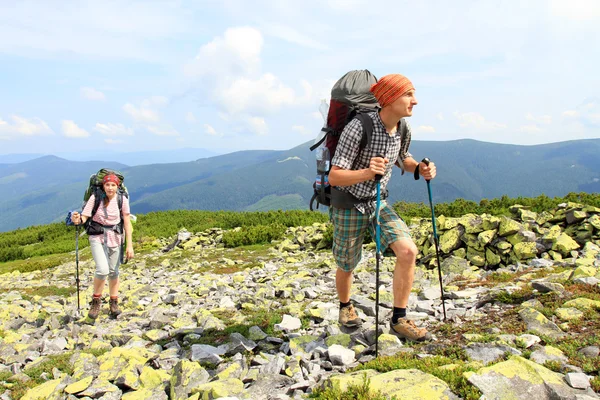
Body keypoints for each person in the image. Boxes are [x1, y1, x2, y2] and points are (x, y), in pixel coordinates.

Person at [328, 73, 436, 342]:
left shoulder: (402, 128)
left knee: (408, 251)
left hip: (378, 201)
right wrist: (367, 172)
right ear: (389, 99)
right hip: (349, 203)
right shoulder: (358, 127)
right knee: (347, 262)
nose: (416, 101)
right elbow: (335, 176)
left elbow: (403, 159)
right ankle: (345, 307)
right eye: (409, 95)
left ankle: (399, 319)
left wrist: (419, 168)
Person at [70, 173, 134, 320]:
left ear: (117, 186)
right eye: (107, 185)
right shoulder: (96, 197)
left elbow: (127, 221)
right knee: (103, 269)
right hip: (97, 236)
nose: (110, 188)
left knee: (114, 271)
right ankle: (96, 301)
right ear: (103, 186)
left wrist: (129, 245)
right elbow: (84, 217)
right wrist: (77, 219)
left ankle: (114, 302)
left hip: (116, 237)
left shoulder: (122, 199)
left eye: (113, 185)